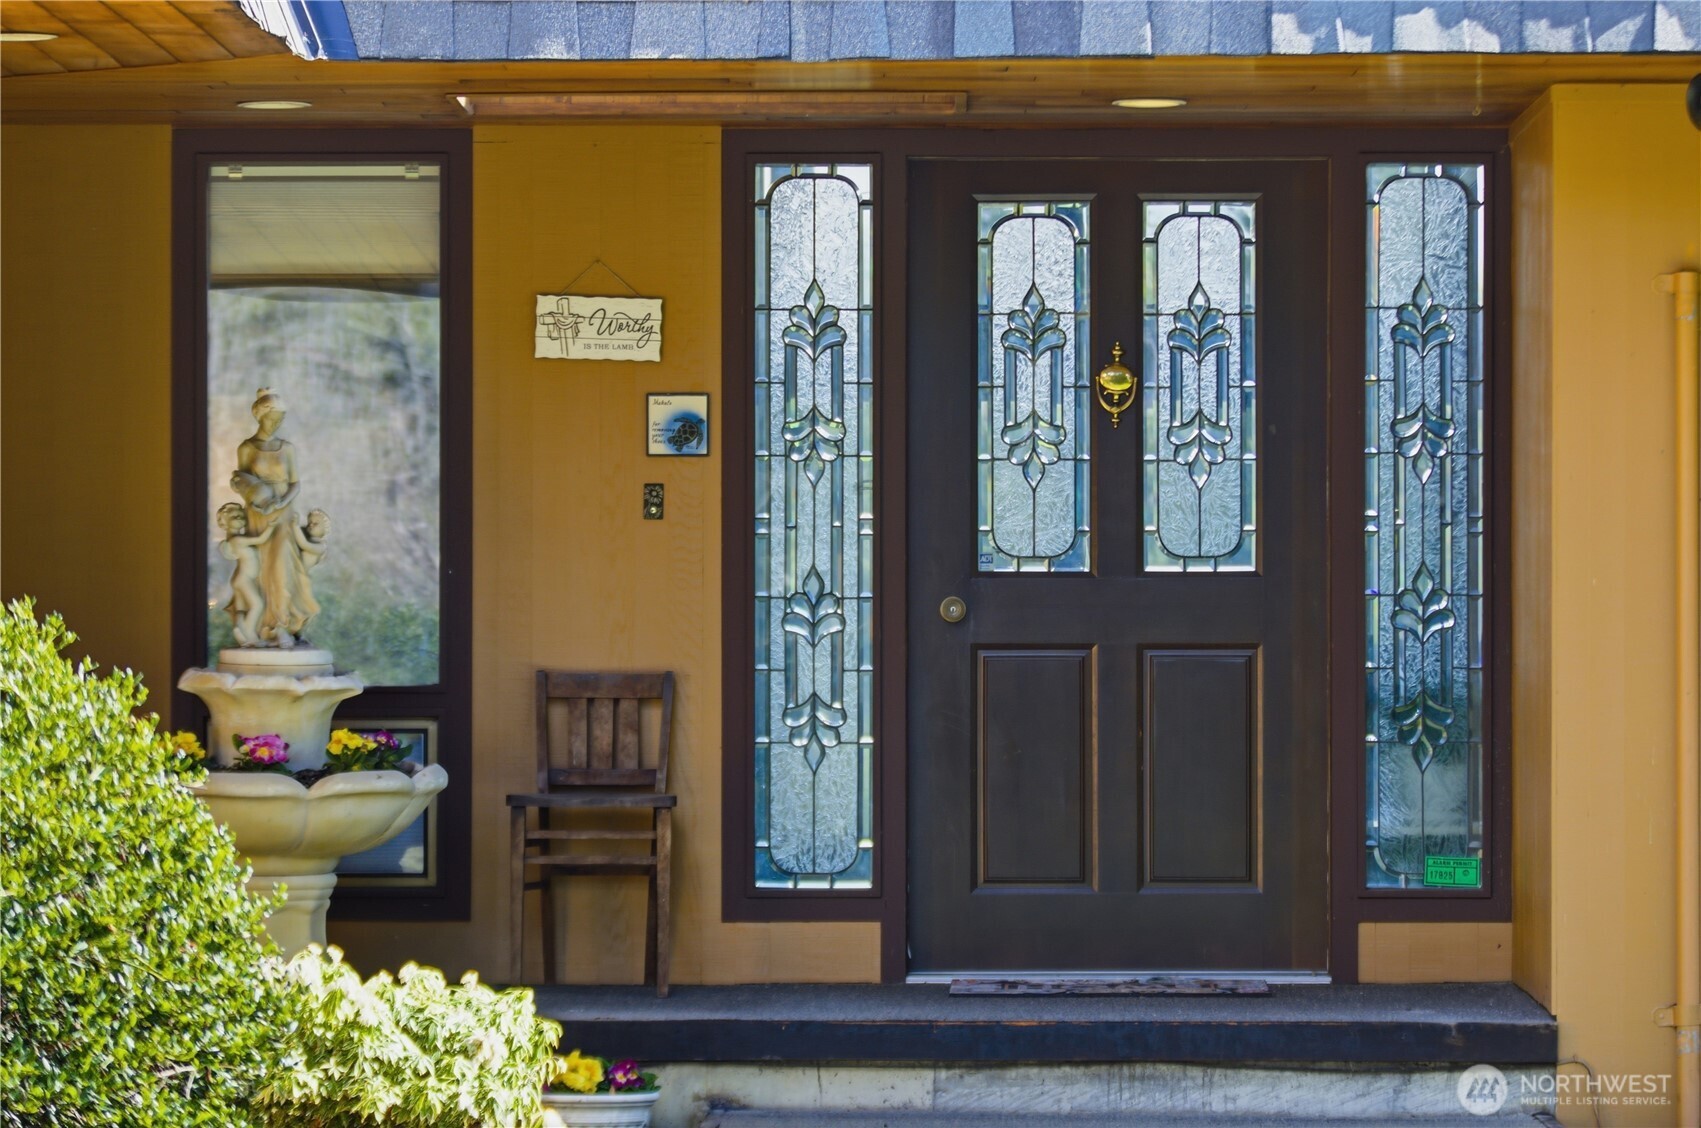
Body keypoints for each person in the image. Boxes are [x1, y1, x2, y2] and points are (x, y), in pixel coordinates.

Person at [235, 388, 319, 648]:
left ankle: (283, 622)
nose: (277, 423)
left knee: (282, 566)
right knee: (264, 568)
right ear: (260, 417)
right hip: (260, 514)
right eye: (273, 418)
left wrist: (282, 501)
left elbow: (295, 483)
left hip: (284, 512)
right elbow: (241, 481)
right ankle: (266, 627)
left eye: (280, 419)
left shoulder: (287, 449)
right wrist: (258, 497)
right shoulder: (247, 448)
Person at [215, 502, 277, 647]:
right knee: (258, 605)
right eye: (234, 517)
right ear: (225, 523)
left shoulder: (238, 538)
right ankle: (249, 635)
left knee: (244, 608)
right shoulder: (237, 540)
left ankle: (240, 628)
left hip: (245, 579)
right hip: (244, 579)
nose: (240, 518)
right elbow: (261, 539)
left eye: (241, 516)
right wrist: (271, 526)